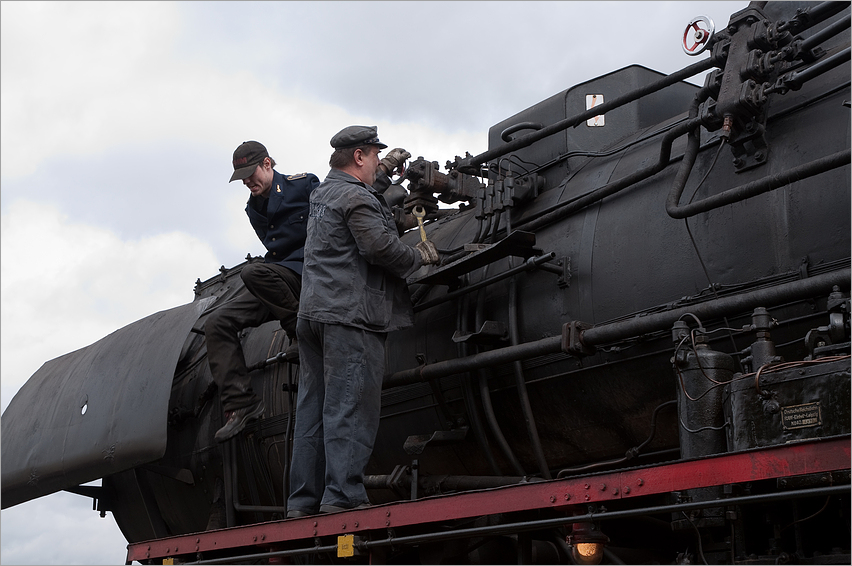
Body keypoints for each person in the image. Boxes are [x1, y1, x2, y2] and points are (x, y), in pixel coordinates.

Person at [286, 126, 439, 517]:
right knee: (349, 406)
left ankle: (302, 503)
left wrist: (385, 171)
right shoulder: (357, 197)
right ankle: (342, 497)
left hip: (313, 313)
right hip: (350, 315)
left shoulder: (323, 193)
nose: (375, 163)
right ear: (359, 156)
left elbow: (359, 201)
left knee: (312, 411)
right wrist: (418, 256)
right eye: (373, 156)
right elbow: (378, 247)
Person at [206, 140, 320, 443]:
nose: (246, 182)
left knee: (252, 271)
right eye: (241, 177)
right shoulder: (252, 208)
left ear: (267, 164)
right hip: (276, 279)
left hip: (308, 272)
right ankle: (241, 404)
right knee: (216, 322)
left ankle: (302, 332)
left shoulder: (304, 185)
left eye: (250, 173)